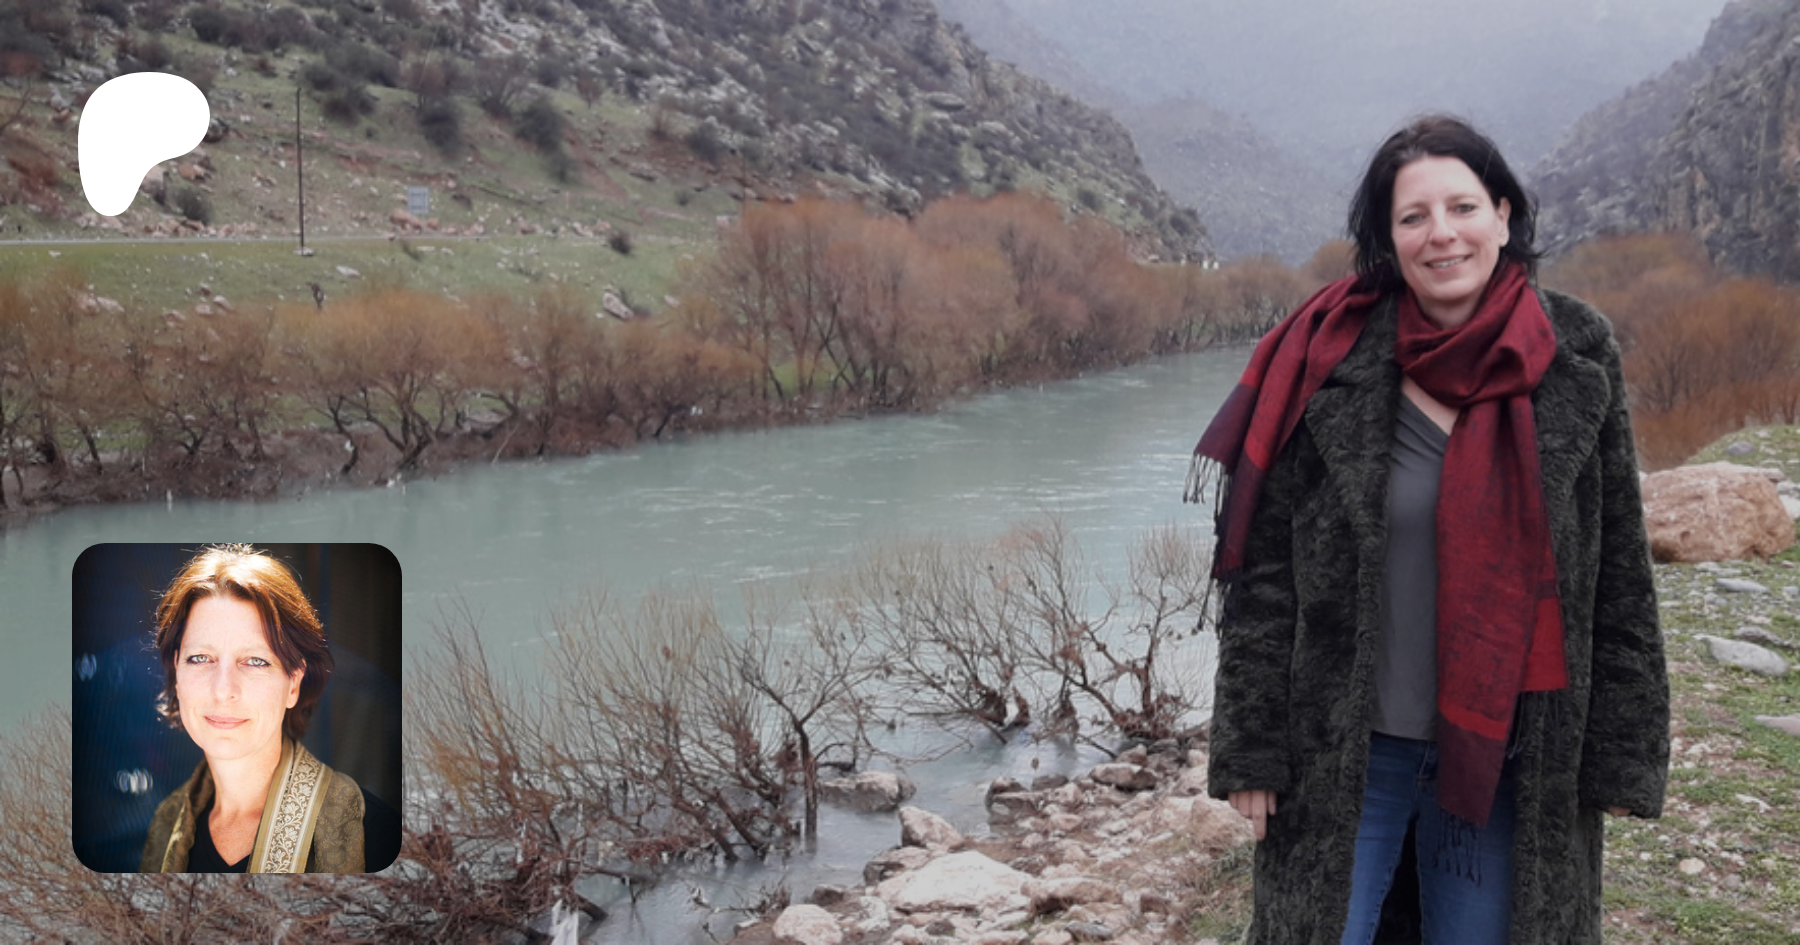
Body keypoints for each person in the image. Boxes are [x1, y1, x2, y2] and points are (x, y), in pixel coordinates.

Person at [1186, 115, 1669, 944]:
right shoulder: (1324, 358)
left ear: (1503, 216)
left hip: (1507, 754)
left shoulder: (1577, 354)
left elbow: (1619, 567)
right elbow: (1267, 577)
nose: (1441, 233)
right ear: (1388, 238)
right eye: (1414, 216)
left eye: (1463, 207)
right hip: (1346, 751)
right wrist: (1250, 748)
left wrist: (1624, 751)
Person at [140, 544, 401, 873]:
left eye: (255, 661)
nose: (223, 689)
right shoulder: (165, 825)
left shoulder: (373, 833)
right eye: (200, 658)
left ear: (293, 683)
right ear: (176, 672)